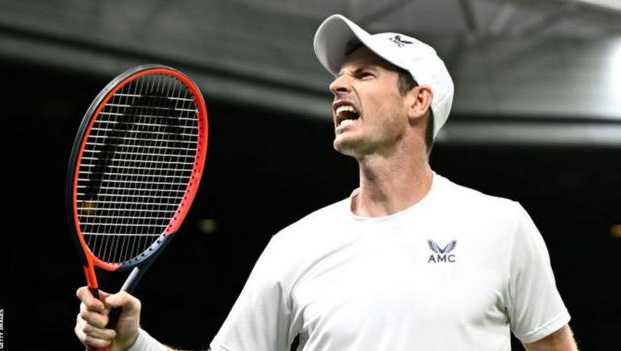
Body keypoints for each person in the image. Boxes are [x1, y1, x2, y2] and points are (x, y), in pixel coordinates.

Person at [75, 14, 578, 351]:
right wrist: (134, 342)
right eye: (341, 76)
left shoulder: (500, 225)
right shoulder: (294, 245)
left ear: (417, 102)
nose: (337, 84)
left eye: (364, 74)